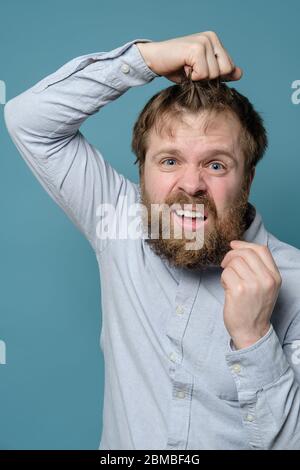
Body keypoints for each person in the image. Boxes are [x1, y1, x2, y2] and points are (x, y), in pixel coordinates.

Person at [4, 31, 300, 450]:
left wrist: (254, 340)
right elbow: (28, 119)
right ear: (142, 171)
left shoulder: (295, 284)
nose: (191, 184)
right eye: (170, 160)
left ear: (247, 179)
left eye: (216, 164)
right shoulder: (118, 223)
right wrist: (146, 59)